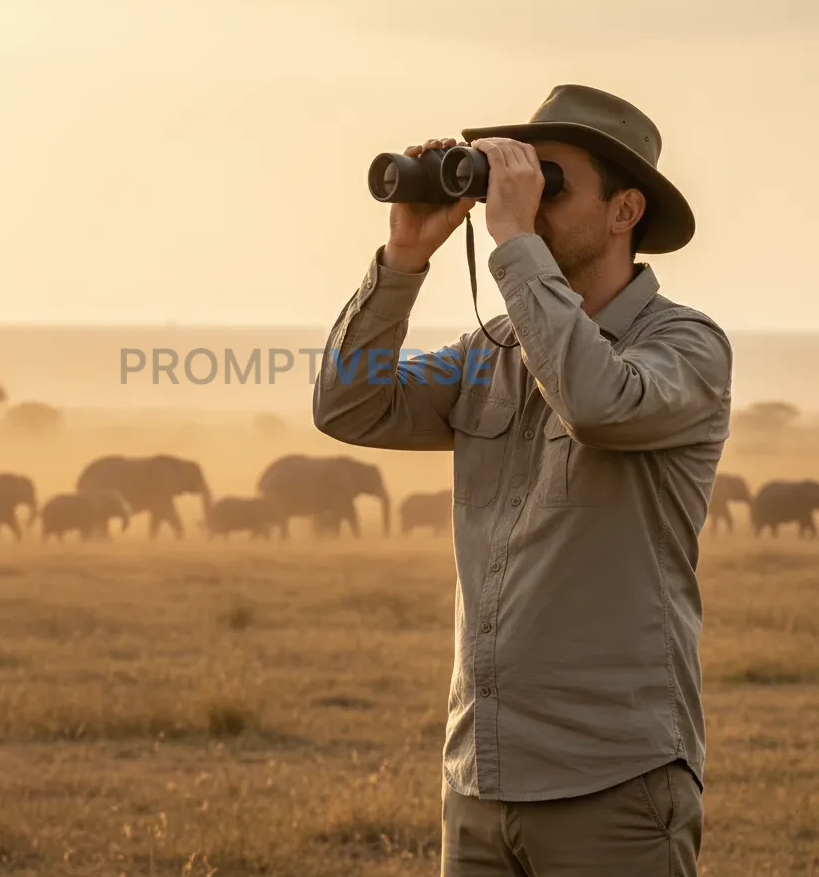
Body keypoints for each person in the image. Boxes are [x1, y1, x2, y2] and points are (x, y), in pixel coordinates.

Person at [312, 84, 733, 876]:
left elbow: (597, 403)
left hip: (613, 782)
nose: (526, 200)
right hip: (481, 777)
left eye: (549, 180)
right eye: (516, 180)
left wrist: (512, 242)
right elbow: (350, 405)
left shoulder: (686, 347)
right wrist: (404, 258)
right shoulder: (492, 350)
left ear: (625, 211)